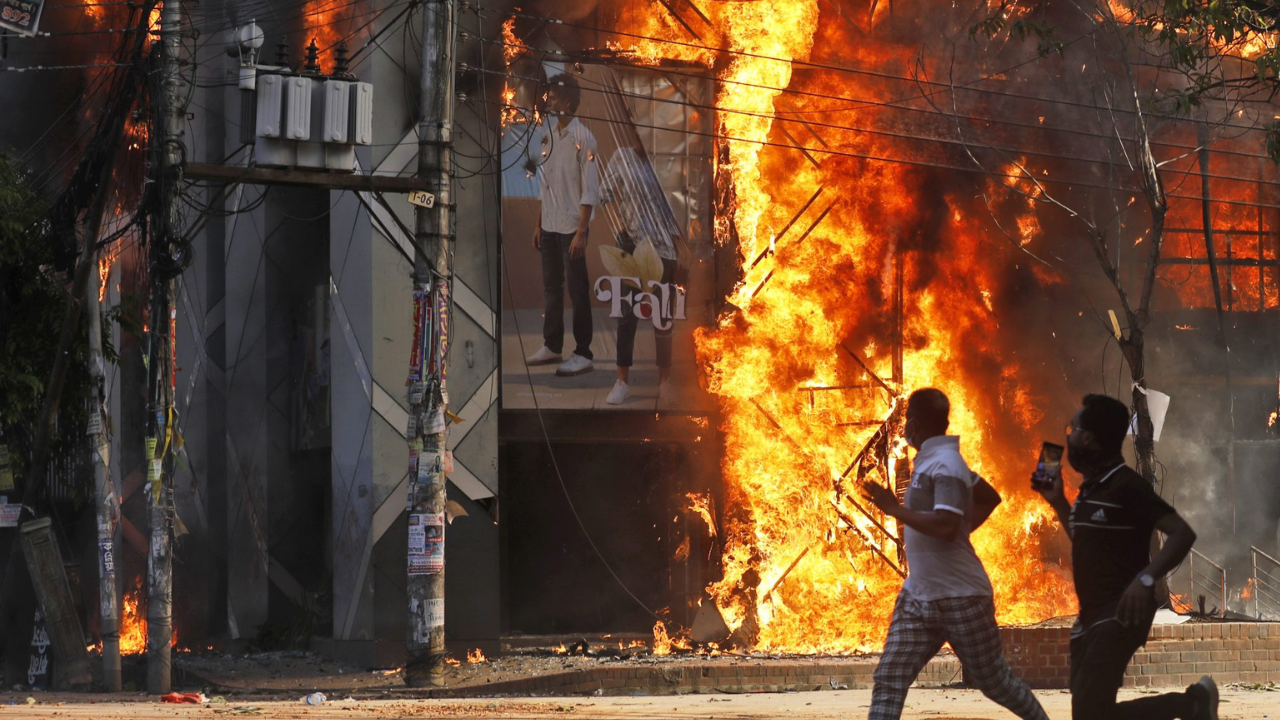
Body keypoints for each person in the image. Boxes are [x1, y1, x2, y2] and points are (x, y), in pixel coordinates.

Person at [862, 389, 1049, 720]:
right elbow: (989, 497)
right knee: (890, 678)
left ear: (915, 424)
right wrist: (963, 528)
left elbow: (948, 525)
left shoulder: (946, 464)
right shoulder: (937, 461)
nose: (903, 427)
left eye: (905, 421)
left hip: (962, 597)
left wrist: (893, 508)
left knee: (996, 683)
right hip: (920, 595)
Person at [1032, 394, 1218, 720]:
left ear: (1088, 437)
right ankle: (1194, 704)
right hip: (1091, 616)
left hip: (1120, 613)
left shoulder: (1127, 486)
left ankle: (1191, 703)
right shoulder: (1090, 489)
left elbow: (1181, 533)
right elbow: (1087, 541)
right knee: (1093, 714)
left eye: (1071, 430)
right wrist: (1058, 501)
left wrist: (1145, 578)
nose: (1068, 436)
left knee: (1091, 714)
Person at [524, 73, 598, 377]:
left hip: (571, 230)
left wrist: (582, 232)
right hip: (551, 227)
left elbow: (589, 189)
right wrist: (539, 224)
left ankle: (584, 352)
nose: (549, 100)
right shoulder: (548, 135)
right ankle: (552, 345)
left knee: (578, 292)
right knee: (552, 288)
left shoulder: (584, 138)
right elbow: (547, 184)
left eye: (554, 96)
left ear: (568, 100)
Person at [598, 146, 681, 405]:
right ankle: (622, 382)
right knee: (627, 316)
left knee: (663, 319)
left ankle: (664, 383)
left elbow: (679, 202)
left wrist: (680, 246)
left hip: (665, 249)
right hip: (632, 247)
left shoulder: (664, 152)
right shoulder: (622, 155)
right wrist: (621, 226)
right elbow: (604, 193)